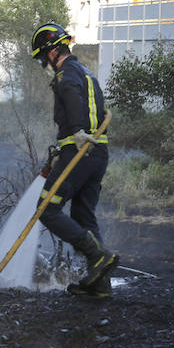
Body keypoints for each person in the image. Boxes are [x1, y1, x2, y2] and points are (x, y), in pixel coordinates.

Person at [31, 22, 118, 298]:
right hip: (98, 154)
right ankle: (100, 284)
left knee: (47, 209)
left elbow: (70, 94)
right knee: (83, 215)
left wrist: (78, 130)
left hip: (79, 153)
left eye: (43, 57)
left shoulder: (66, 74)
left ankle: (98, 255)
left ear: (53, 51)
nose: (44, 63)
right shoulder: (87, 72)